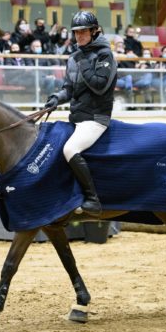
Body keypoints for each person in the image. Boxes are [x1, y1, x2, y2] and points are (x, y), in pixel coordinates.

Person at [44, 11, 117, 216]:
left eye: (83, 31)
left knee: (70, 149)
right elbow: (69, 88)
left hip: (97, 118)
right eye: (76, 32)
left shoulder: (105, 55)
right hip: (77, 117)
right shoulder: (74, 57)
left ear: (94, 31)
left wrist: (84, 61)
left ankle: (93, 200)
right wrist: (56, 98)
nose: (79, 36)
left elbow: (100, 86)